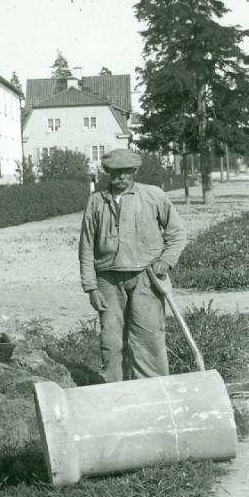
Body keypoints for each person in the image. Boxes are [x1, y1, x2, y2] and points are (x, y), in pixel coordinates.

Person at [79, 148, 187, 382]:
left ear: (134, 171)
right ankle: (116, 394)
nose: (119, 178)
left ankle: (154, 392)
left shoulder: (153, 196)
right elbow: (86, 247)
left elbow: (176, 234)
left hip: (146, 278)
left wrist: (165, 261)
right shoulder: (96, 201)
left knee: (148, 341)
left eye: (125, 173)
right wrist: (91, 288)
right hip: (108, 281)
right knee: (112, 342)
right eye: (114, 173)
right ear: (106, 172)